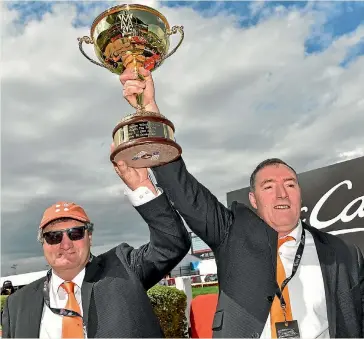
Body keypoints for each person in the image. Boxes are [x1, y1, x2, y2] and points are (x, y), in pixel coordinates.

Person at [116, 67, 364, 338]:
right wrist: (149, 110)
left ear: (299, 194)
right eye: (269, 187)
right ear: (253, 199)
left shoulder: (344, 253)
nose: (282, 193)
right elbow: (185, 191)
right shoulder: (231, 234)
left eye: (290, 184)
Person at [1, 177, 191, 338]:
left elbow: (171, 243)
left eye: (75, 233)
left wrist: (142, 187)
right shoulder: (17, 304)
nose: (65, 244)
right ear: (43, 243)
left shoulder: (124, 268)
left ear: (89, 237)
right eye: (53, 236)